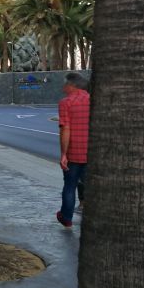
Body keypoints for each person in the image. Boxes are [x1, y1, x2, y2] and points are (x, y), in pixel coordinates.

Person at [56, 72, 90, 227]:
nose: (63, 87)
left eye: (65, 84)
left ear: (72, 85)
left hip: (74, 152)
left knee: (70, 185)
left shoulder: (66, 102)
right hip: (92, 152)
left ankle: (66, 218)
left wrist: (63, 154)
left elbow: (65, 129)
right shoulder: (93, 100)